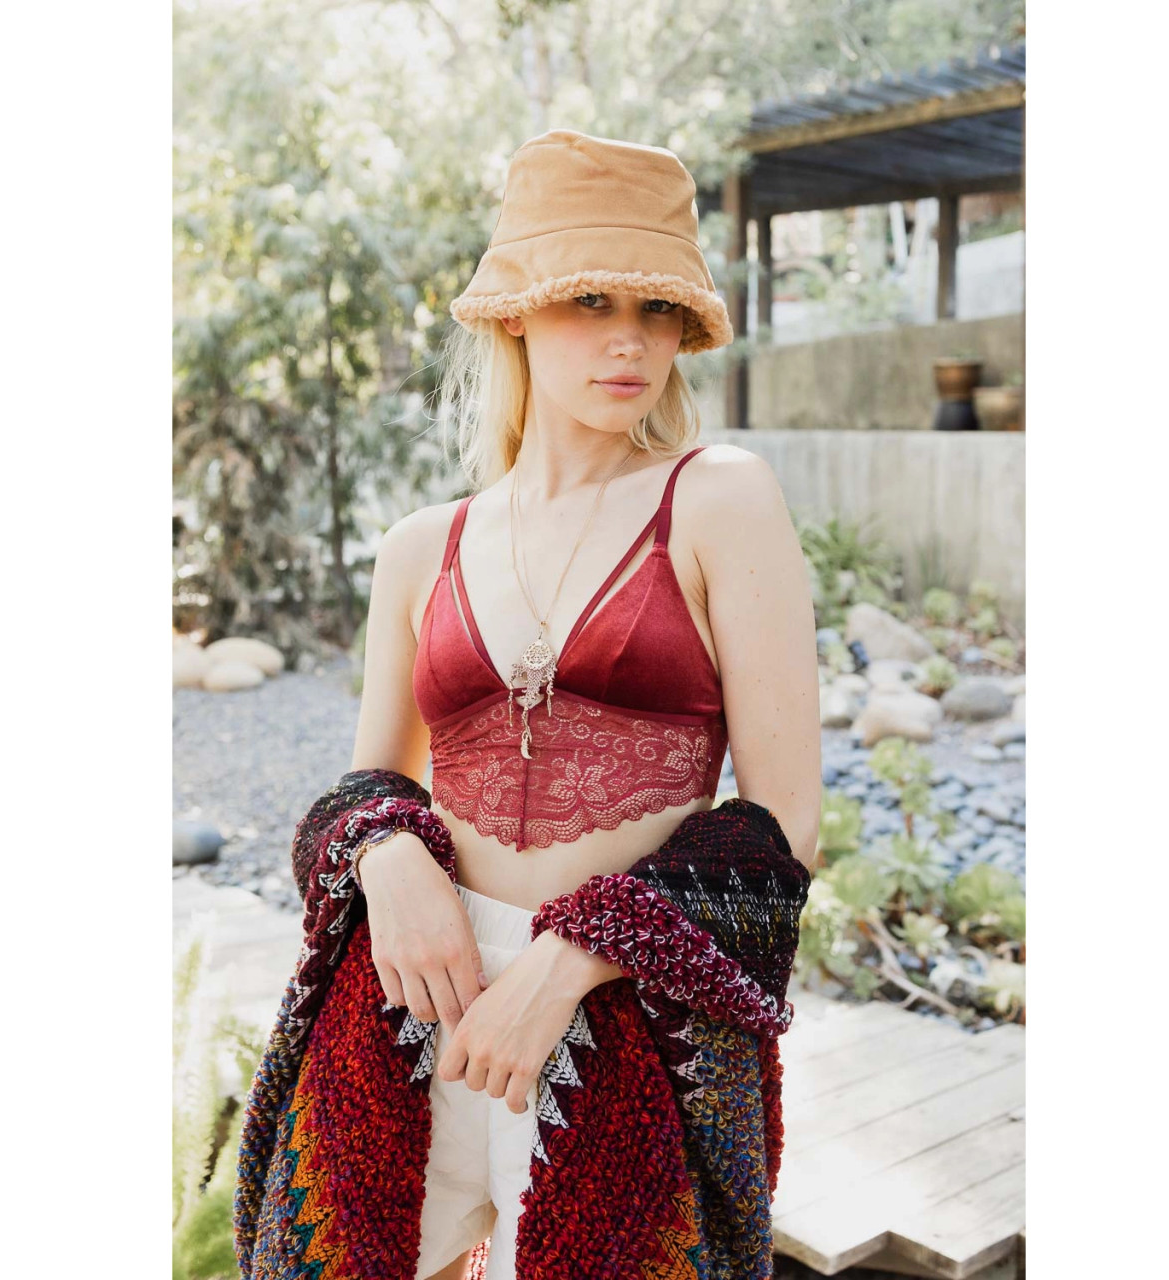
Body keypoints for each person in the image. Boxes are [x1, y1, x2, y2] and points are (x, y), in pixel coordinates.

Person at [241, 128, 822, 1280]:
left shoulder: (716, 498)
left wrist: (565, 965)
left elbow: (781, 825)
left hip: (623, 1016)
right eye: (590, 300)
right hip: (412, 1002)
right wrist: (387, 860)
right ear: (513, 311)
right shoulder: (422, 547)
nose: (630, 339)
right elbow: (370, 786)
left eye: (659, 311)